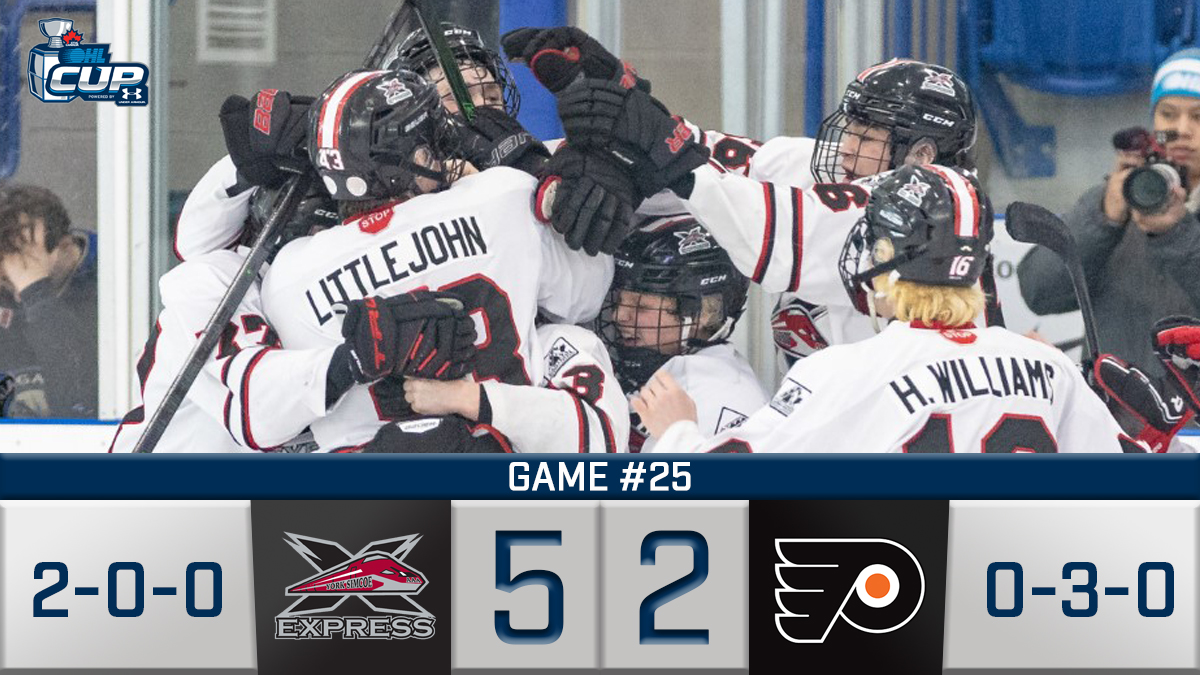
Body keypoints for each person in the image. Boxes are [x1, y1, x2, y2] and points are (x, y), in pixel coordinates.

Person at [632, 166, 1138, 454]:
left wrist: (678, 432)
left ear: (887, 256)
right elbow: (1127, 488)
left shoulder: (844, 373)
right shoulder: (1047, 365)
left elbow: (736, 489)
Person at [258, 68, 611, 450]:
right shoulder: (502, 195)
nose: (444, 150)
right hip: (511, 459)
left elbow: (271, 416)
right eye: (430, 143)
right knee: (568, 341)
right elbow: (584, 298)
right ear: (406, 161)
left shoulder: (289, 277)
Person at [109, 178, 476, 453]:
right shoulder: (212, 279)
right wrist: (353, 361)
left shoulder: (337, 300)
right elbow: (254, 407)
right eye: (329, 232)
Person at [1018, 48, 1200, 380]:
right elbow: (1038, 292)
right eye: (1168, 115)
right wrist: (1102, 218)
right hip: (1111, 407)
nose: (1182, 129)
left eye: (1198, 117)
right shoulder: (1117, 199)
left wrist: (1177, 234)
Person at [597, 218, 765, 451]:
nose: (619, 315)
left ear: (705, 313)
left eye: (641, 305)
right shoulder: (662, 367)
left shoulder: (724, 400)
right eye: (619, 300)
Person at [0, 183, 97, 417]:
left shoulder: (112, 288)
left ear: (65, 246)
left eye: (24, 259)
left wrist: (35, 290)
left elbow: (80, 394)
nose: (16, 285)